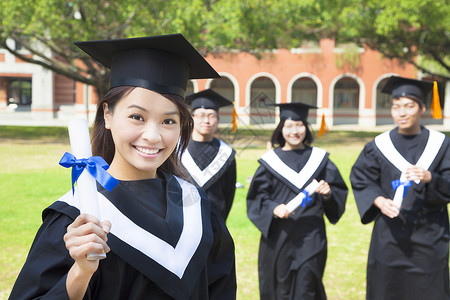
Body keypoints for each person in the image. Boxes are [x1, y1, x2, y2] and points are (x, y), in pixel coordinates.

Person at [9, 34, 236, 300]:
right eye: (137, 117)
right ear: (107, 115)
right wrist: (81, 272)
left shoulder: (197, 207)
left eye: (168, 121)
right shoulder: (76, 217)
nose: (153, 135)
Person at [350, 76, 450, 300]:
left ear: (422, 108)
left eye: (409, 106)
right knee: (387, 288)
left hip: (430, 234)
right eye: (396, 107)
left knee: (430, 289)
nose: (402, 113)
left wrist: (430, 178)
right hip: (390, 235)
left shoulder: (440, 145)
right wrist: (378, 200)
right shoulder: (378, 146)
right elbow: (361, 178)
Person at [246, 102, 348, 300]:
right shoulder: (270, 162)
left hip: (310, 236)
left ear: (306, 128)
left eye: (299, 125)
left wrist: (327, 194)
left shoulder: (320, 159)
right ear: (281, 129)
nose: (295, 131)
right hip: (279, 237)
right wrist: (274, 208)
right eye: (289, 126)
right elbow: (257, 198)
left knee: (307, 286)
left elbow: (338, 193)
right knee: (280, 287)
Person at [182, 89, 236, 221]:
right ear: (192, 118)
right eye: (200, 115)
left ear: (217, 120)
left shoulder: (226, 153)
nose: (206, 121)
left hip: (214, 222)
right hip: (181, 219)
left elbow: (228, 194)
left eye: (211, 116)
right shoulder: (176, 149)